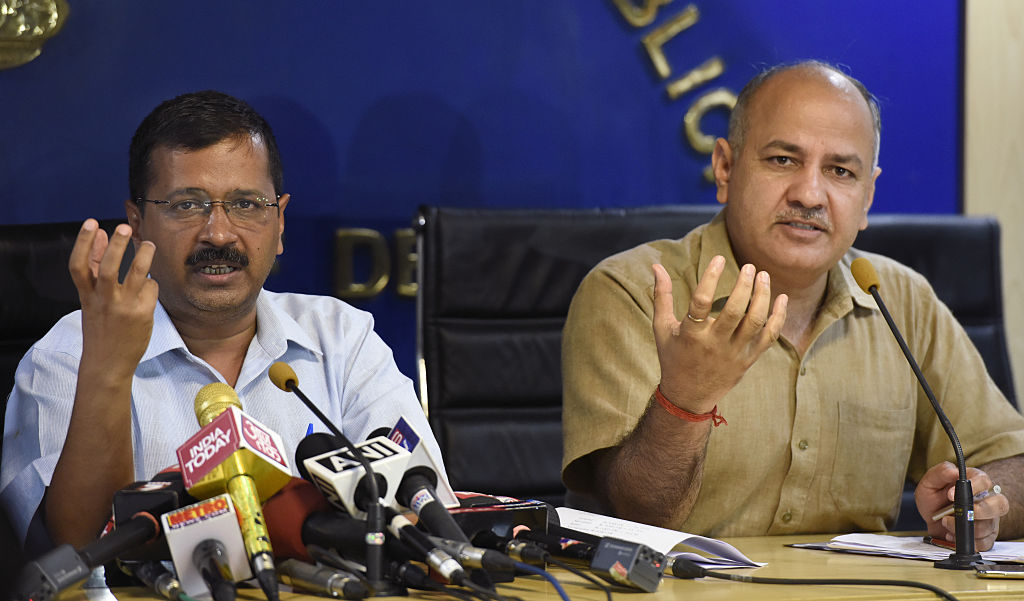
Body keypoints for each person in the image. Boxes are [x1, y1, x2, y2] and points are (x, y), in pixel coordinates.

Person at [561, 60, 1024, 551]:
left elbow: (1012, 463)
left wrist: (985, 503)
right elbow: (632, 516)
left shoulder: (900, 300)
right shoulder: (635, 290)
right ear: (725, 167)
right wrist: (685, 400)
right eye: (782, 160)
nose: (809, 194)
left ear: (867, 197)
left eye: (840, 171)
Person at [0, 91, 447, 551]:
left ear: (280, 224)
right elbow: (75, 550)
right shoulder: (69, 353)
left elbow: (423, 508)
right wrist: (109, 370)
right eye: (187, 205)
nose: (218, 233)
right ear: (138, 221)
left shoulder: (342, 337)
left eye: (247, 204)